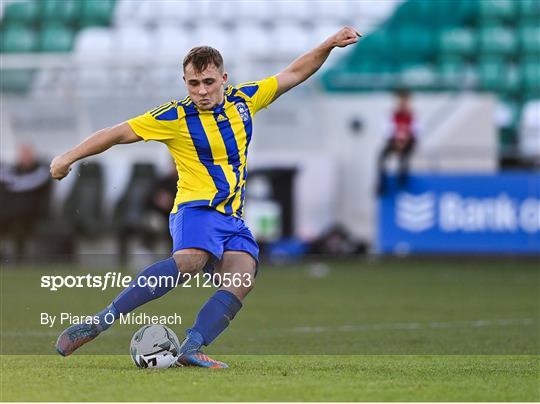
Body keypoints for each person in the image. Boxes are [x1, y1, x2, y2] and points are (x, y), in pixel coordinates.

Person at [50, 27, 361, 368]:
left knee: (242, 278)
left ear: (223, 78)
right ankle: (100, 321)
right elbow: (116, 133)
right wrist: (68, 157)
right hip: (195, 209)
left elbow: (295, 73)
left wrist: (329, 44)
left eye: (208, 82)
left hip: (232, 218)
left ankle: (191, 346)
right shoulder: (174, 116)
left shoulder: (245, 99)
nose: (201, 91)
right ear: (185, 82)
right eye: (193, 84)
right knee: (191, 261)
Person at [0, 144, 51, 262]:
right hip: (6, 215)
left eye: (27, 154)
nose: (24, 157)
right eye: (22, 154)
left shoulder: (41, 172)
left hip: (29, 216)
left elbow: (27, 183)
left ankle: (20, 260)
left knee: (21, 232)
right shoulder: (10, 171)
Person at [376, 89, 418, 195]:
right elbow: (387, 131)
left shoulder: (412, 116)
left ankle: (402, 180)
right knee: (381, 157)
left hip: (407, 144)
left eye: (405, 101)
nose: (403, 104)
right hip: (393, 142)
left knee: (404, 158)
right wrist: (396, 142)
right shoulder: (392, 115)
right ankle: (382, 184)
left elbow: (416, 132)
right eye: (401, 101)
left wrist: (405, 142)